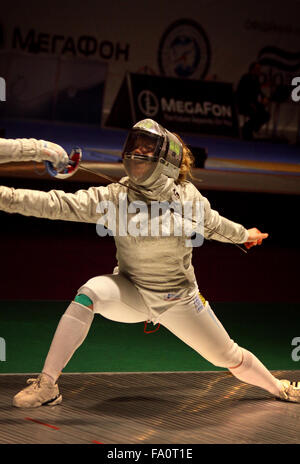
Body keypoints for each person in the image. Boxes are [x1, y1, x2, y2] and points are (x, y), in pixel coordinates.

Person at [0, 119, 299, 409]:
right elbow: (55, 204)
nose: (138, 152)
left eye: (147, 147)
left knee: (228, 355)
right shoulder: (115, 197)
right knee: (88, 293)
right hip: (131, 291)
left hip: (179, 300)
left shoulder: (189, 200)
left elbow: (215, 225)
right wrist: (5, 198)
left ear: (166, 158)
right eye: (135, 145)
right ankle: (48, 385)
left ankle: (279, 387)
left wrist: (244, 235)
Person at [236, 62, 270, 140]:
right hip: (244, 104)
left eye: (259, 69)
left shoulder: (256, 79)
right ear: (252, 69)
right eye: (257, 69)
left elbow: (259, 91)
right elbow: (242, 93)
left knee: (265, 115)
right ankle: (246, 130)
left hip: (254, 104)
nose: (259, 71)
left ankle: (248, 128)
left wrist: (264, 97)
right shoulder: (246, 78)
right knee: (256, 113)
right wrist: (251, 104)